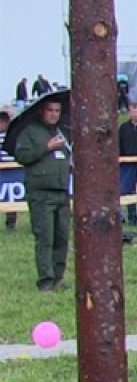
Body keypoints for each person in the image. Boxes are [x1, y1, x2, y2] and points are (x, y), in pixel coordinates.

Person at [13, 99, 71, 291]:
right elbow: (22, 156)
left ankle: (59, 277)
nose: (54, 114)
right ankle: (46, 280)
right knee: (45, 237)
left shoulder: (61, 132)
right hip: (41, 193)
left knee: (62, 237)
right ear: (42, 111)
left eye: (57, 110)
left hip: (62, 191)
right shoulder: (30, 132)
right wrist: (46, 147)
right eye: (50, 110)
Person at [0, 110, 18, 230]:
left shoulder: (14, 136)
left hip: (14, 171)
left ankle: (11, 223)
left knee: (13, 198)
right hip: (3, 171)